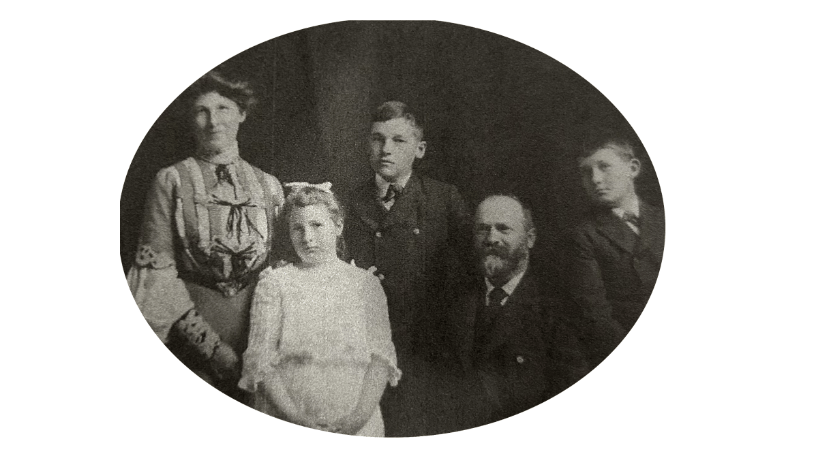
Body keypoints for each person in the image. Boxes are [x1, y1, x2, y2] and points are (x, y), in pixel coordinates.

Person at [127, 71, 284, 401]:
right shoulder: (170, 181)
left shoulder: (269, 186)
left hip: (258, 333)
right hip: (193, 334)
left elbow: (283, 271)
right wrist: (211, 348)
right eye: (202, 110)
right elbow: (157, 276)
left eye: (223, 109)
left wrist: (265, 342)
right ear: (190, 118)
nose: (213, 121)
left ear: (241, 114)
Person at [344, 101, 471, 436]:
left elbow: (473, 275)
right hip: (363, 348)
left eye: (399, 140)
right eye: (377, 138)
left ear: (420, 149)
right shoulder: (345, 201)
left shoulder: (444, 199)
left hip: (425, 350)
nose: (386, 149)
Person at [239, 183, 400, 437]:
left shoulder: (365, 284)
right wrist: (298, 420)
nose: (307, 238)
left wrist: (354, 423)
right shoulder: (275, 282)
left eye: (317, 225)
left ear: (338, 226)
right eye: (298, 228)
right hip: (288, 422)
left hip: (356, 423)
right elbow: (261, 361)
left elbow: (381, 360)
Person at [452, 194, 588, 427]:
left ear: (530, 238)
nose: (491, 238)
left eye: (503, 229)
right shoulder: (451, 302)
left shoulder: (558, 308)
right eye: (482, 229)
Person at [565, 134, 665, 367]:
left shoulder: (665, 219)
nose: (595, 179)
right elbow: (595, 314)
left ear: (633, 168)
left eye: (604, 167)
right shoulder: (584, 235)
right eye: (586, 172)